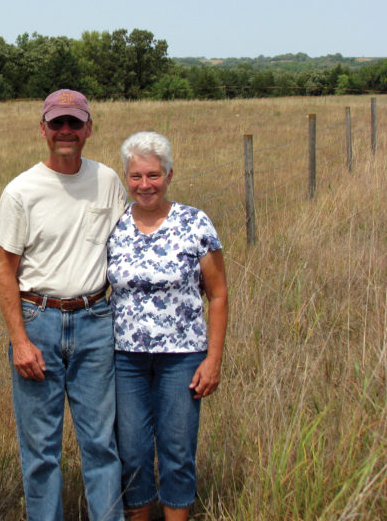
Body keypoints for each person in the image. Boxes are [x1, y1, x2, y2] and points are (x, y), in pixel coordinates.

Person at [0, 89, 127, 521]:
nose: (66, 131)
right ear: (43, 129)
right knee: (41, 451)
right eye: (57, 123)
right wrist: (20, 341)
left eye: (74, 122)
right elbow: (5, 270)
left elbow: (129, 245)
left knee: (101, 445)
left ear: (89, 128)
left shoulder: (108, 181)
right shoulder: (21, 191)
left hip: (95, 320)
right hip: (39, 323)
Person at [107, 132, 228, 521]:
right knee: (133, 452)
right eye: (136, 176)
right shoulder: (114, 225)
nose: (145, 185)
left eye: (154, 175)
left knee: (177, 450)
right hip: (125, 358)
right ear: (126, 178)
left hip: (183, 358)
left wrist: (213, 360)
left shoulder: (194, 222)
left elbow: (218, 295)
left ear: (169, 175)